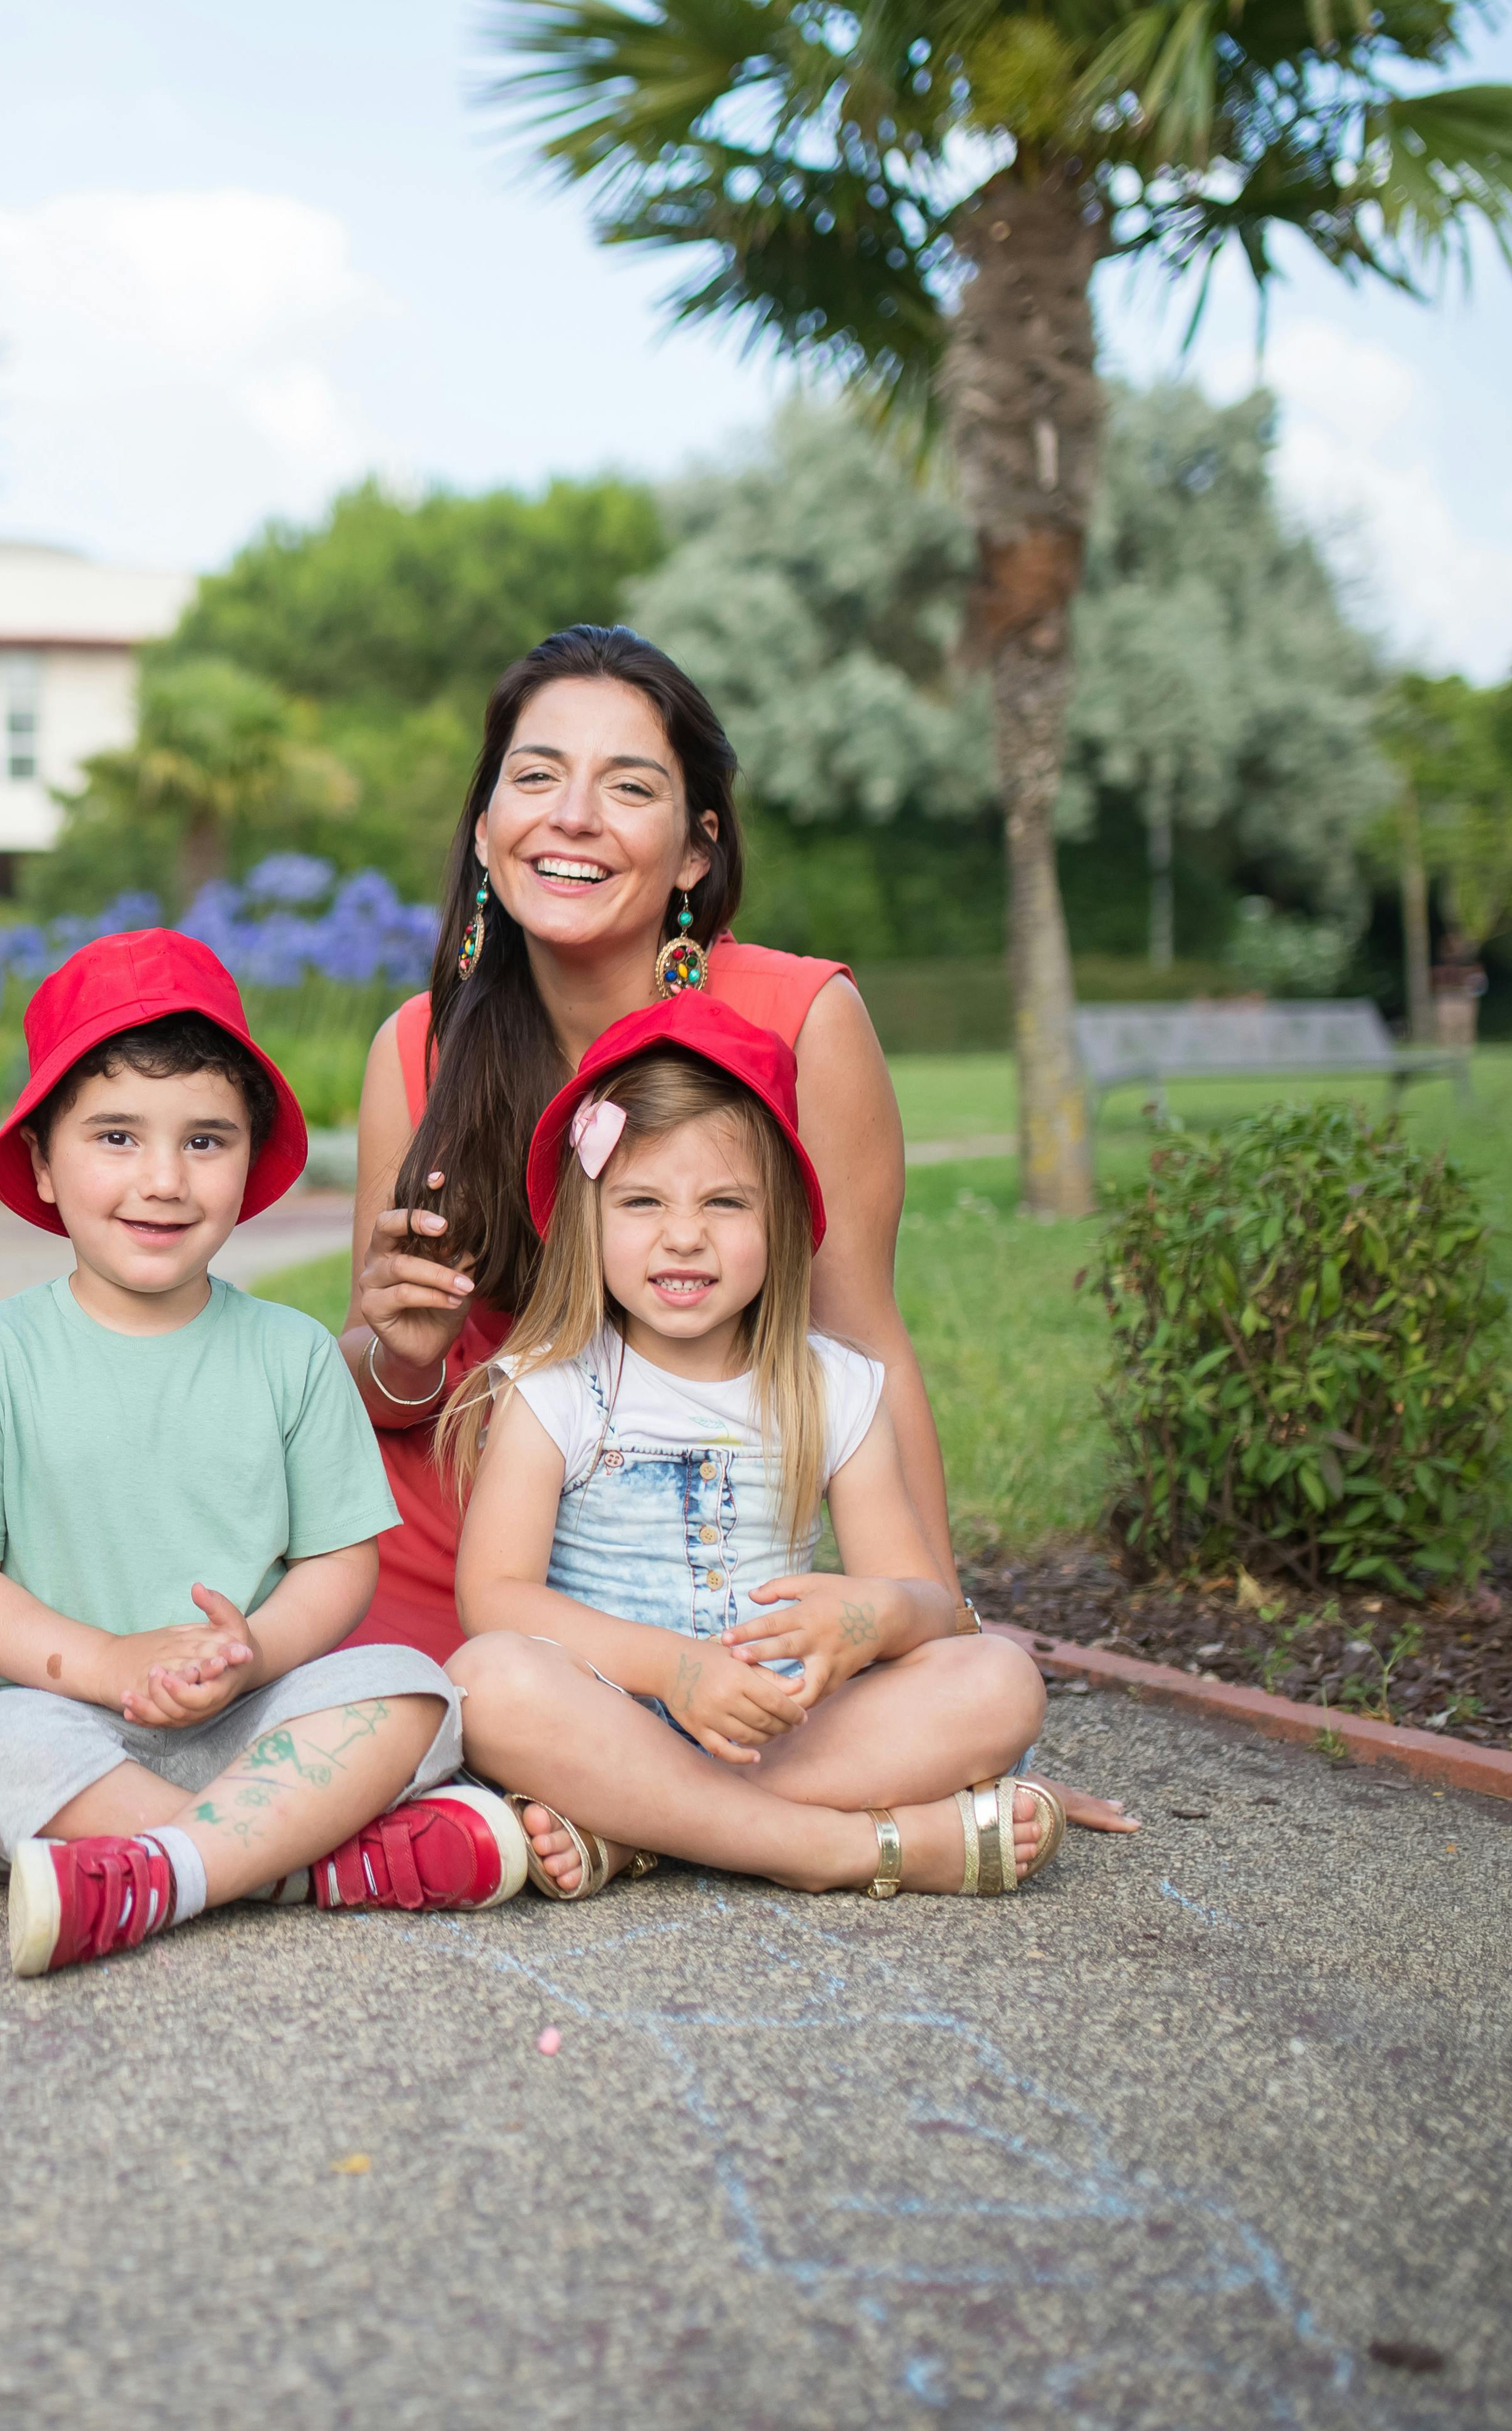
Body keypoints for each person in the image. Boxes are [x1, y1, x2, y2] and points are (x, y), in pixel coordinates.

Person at [340, 624, 1130, 1837]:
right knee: (400, 1680)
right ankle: (833, 1838)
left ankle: (633, 1812)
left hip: (721, 1581)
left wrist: (927, 1641)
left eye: (631, 785)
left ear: (697, 849)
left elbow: (864, 1341)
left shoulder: (801, 1016)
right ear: (487, 826)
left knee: (984, 1684)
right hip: (491, 1540)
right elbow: (392, 1401)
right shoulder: (418, 1048)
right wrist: (393, 1351)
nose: (573, 816)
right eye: (536, 775)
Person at [0, 931, 533, 1983]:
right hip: (63, 1719)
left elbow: (340, 1563)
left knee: (413, 1689)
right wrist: (106, 1664)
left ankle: (159, 1869)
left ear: (249, 1164)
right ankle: (299, 1863)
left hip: (254, 1716)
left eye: (206, 1141)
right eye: (115, 1136)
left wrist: (256, 1656)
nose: (163, 1179)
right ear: (44, 1166)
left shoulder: (290, 1354)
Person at [445, 993, 1062, 1897]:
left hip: (787, 1730)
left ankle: (642, 1828)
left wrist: (864, 1621)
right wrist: (672, 1667)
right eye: (643, 1201)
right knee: (487, 1683)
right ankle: (850, 1850)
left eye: (725, 1202)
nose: (684, 1235)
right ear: (589, 1219)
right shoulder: (554, 1384)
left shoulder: (832, 1386)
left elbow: (924, 1598)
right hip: (607, 1717)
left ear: (779, 1224)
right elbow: (494, 1598)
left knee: (1001, 1681)